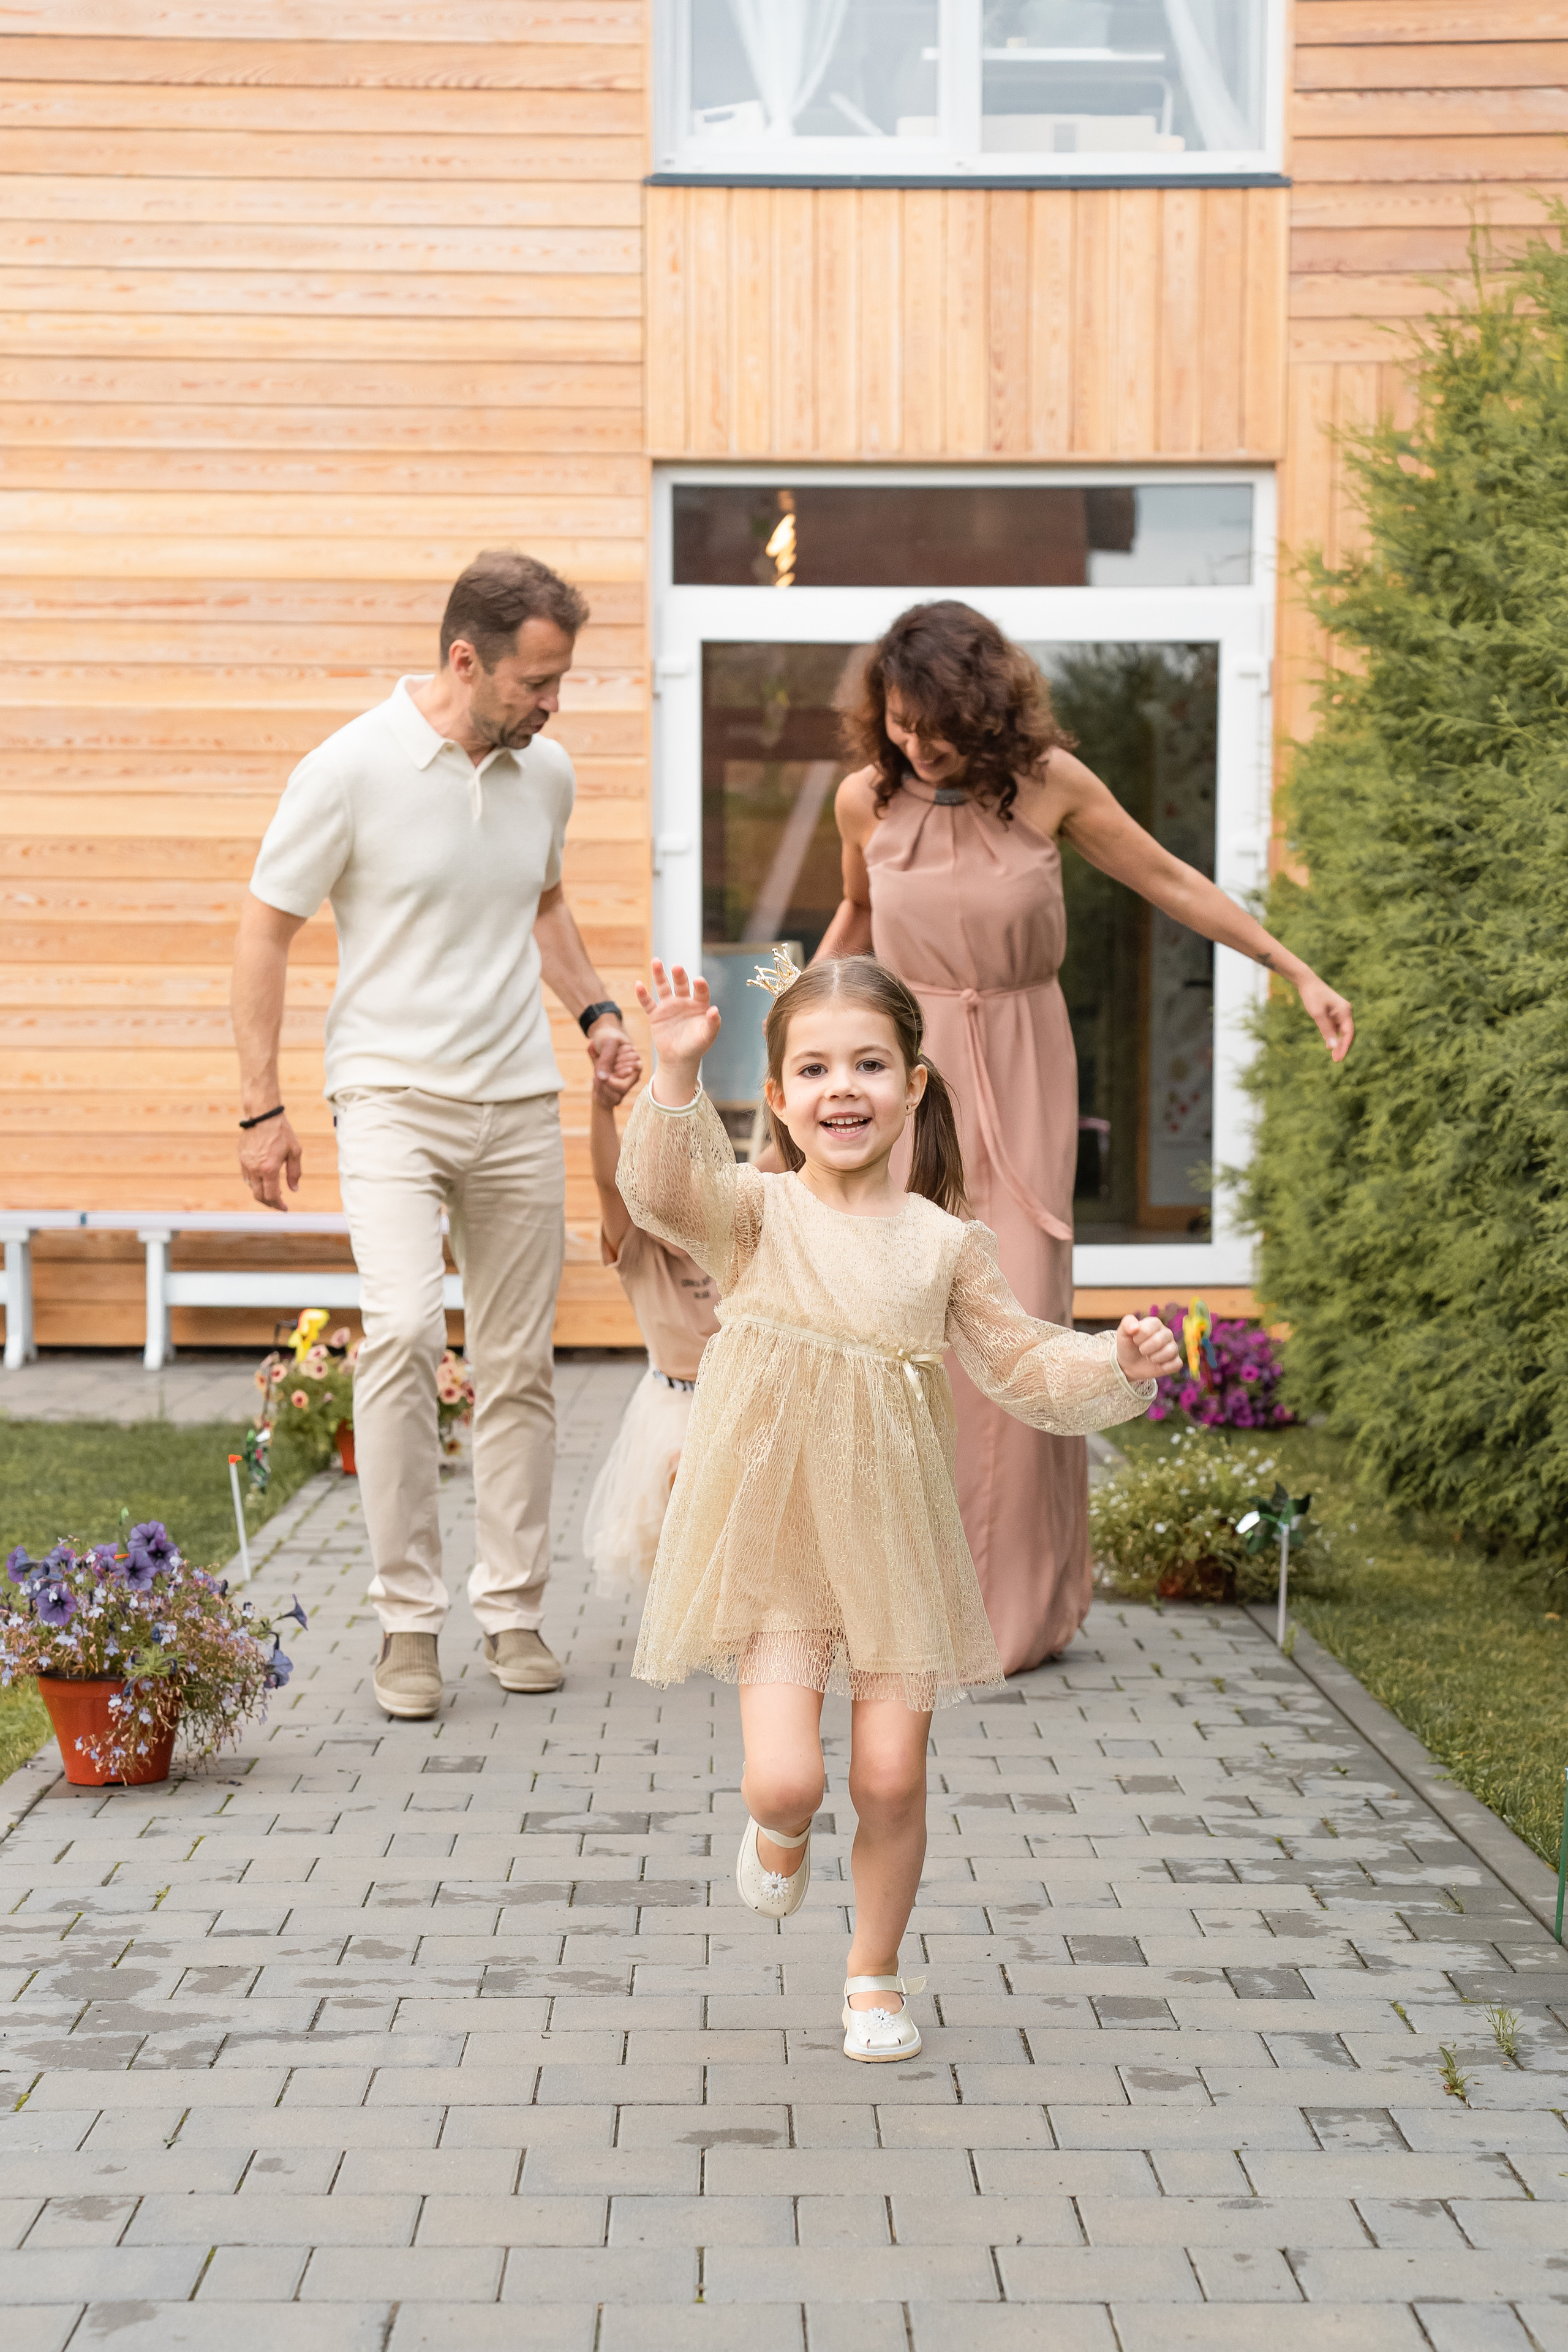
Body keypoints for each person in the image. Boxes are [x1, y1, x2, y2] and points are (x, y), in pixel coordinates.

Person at [617, 950, 1178, 2062]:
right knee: (789, 1774)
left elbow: (1021, 1363)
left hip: (893, 1539)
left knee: (888, 1774)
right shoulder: (754, 1214)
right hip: (776, 1530)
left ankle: (872, 1973)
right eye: (815, 1068)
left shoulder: (944, 1244)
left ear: (914, 1085)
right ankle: (779, 1832)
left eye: (870, 1064)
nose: (843, 1088)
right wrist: (676, 1073)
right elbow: (664, 1191)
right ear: (778, 1099)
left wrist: (1117, 1361)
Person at [816, 601, 1354, 1675]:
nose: (918, 744)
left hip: (1018, 1064)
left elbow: (1170, 880)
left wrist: (1293, 969)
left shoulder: (1052, 784)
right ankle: (892, 1603)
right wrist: (790, 1047)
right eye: (902, 721)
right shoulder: (863, 802)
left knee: (1018, 1325)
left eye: (939, 723)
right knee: (897, 1339)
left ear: (988, 705)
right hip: (903, 1080)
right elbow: (854, 931)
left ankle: (1012, 1610)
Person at [231, 549, 639, 1722]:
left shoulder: (543, 773)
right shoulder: (349, 768)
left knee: (519, 1365)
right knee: (405, 1331)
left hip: (516, 1098)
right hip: (391, 1098)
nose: (554, 703)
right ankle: (408, 1626)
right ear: (468, 659)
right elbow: (264, 933)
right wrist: (262, 1105)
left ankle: (511, 1608)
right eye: (539, 680)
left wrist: (599, 1014)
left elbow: (546, 908)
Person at [582, 1046, 720, 1591]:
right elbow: (605, 1183)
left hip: (738, 1395)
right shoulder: (638, 1252)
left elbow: (789, 1161)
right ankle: (692, 1593)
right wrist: (601, 1107)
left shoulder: (735, 1235)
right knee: (684, 1467)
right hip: (673, 1401)